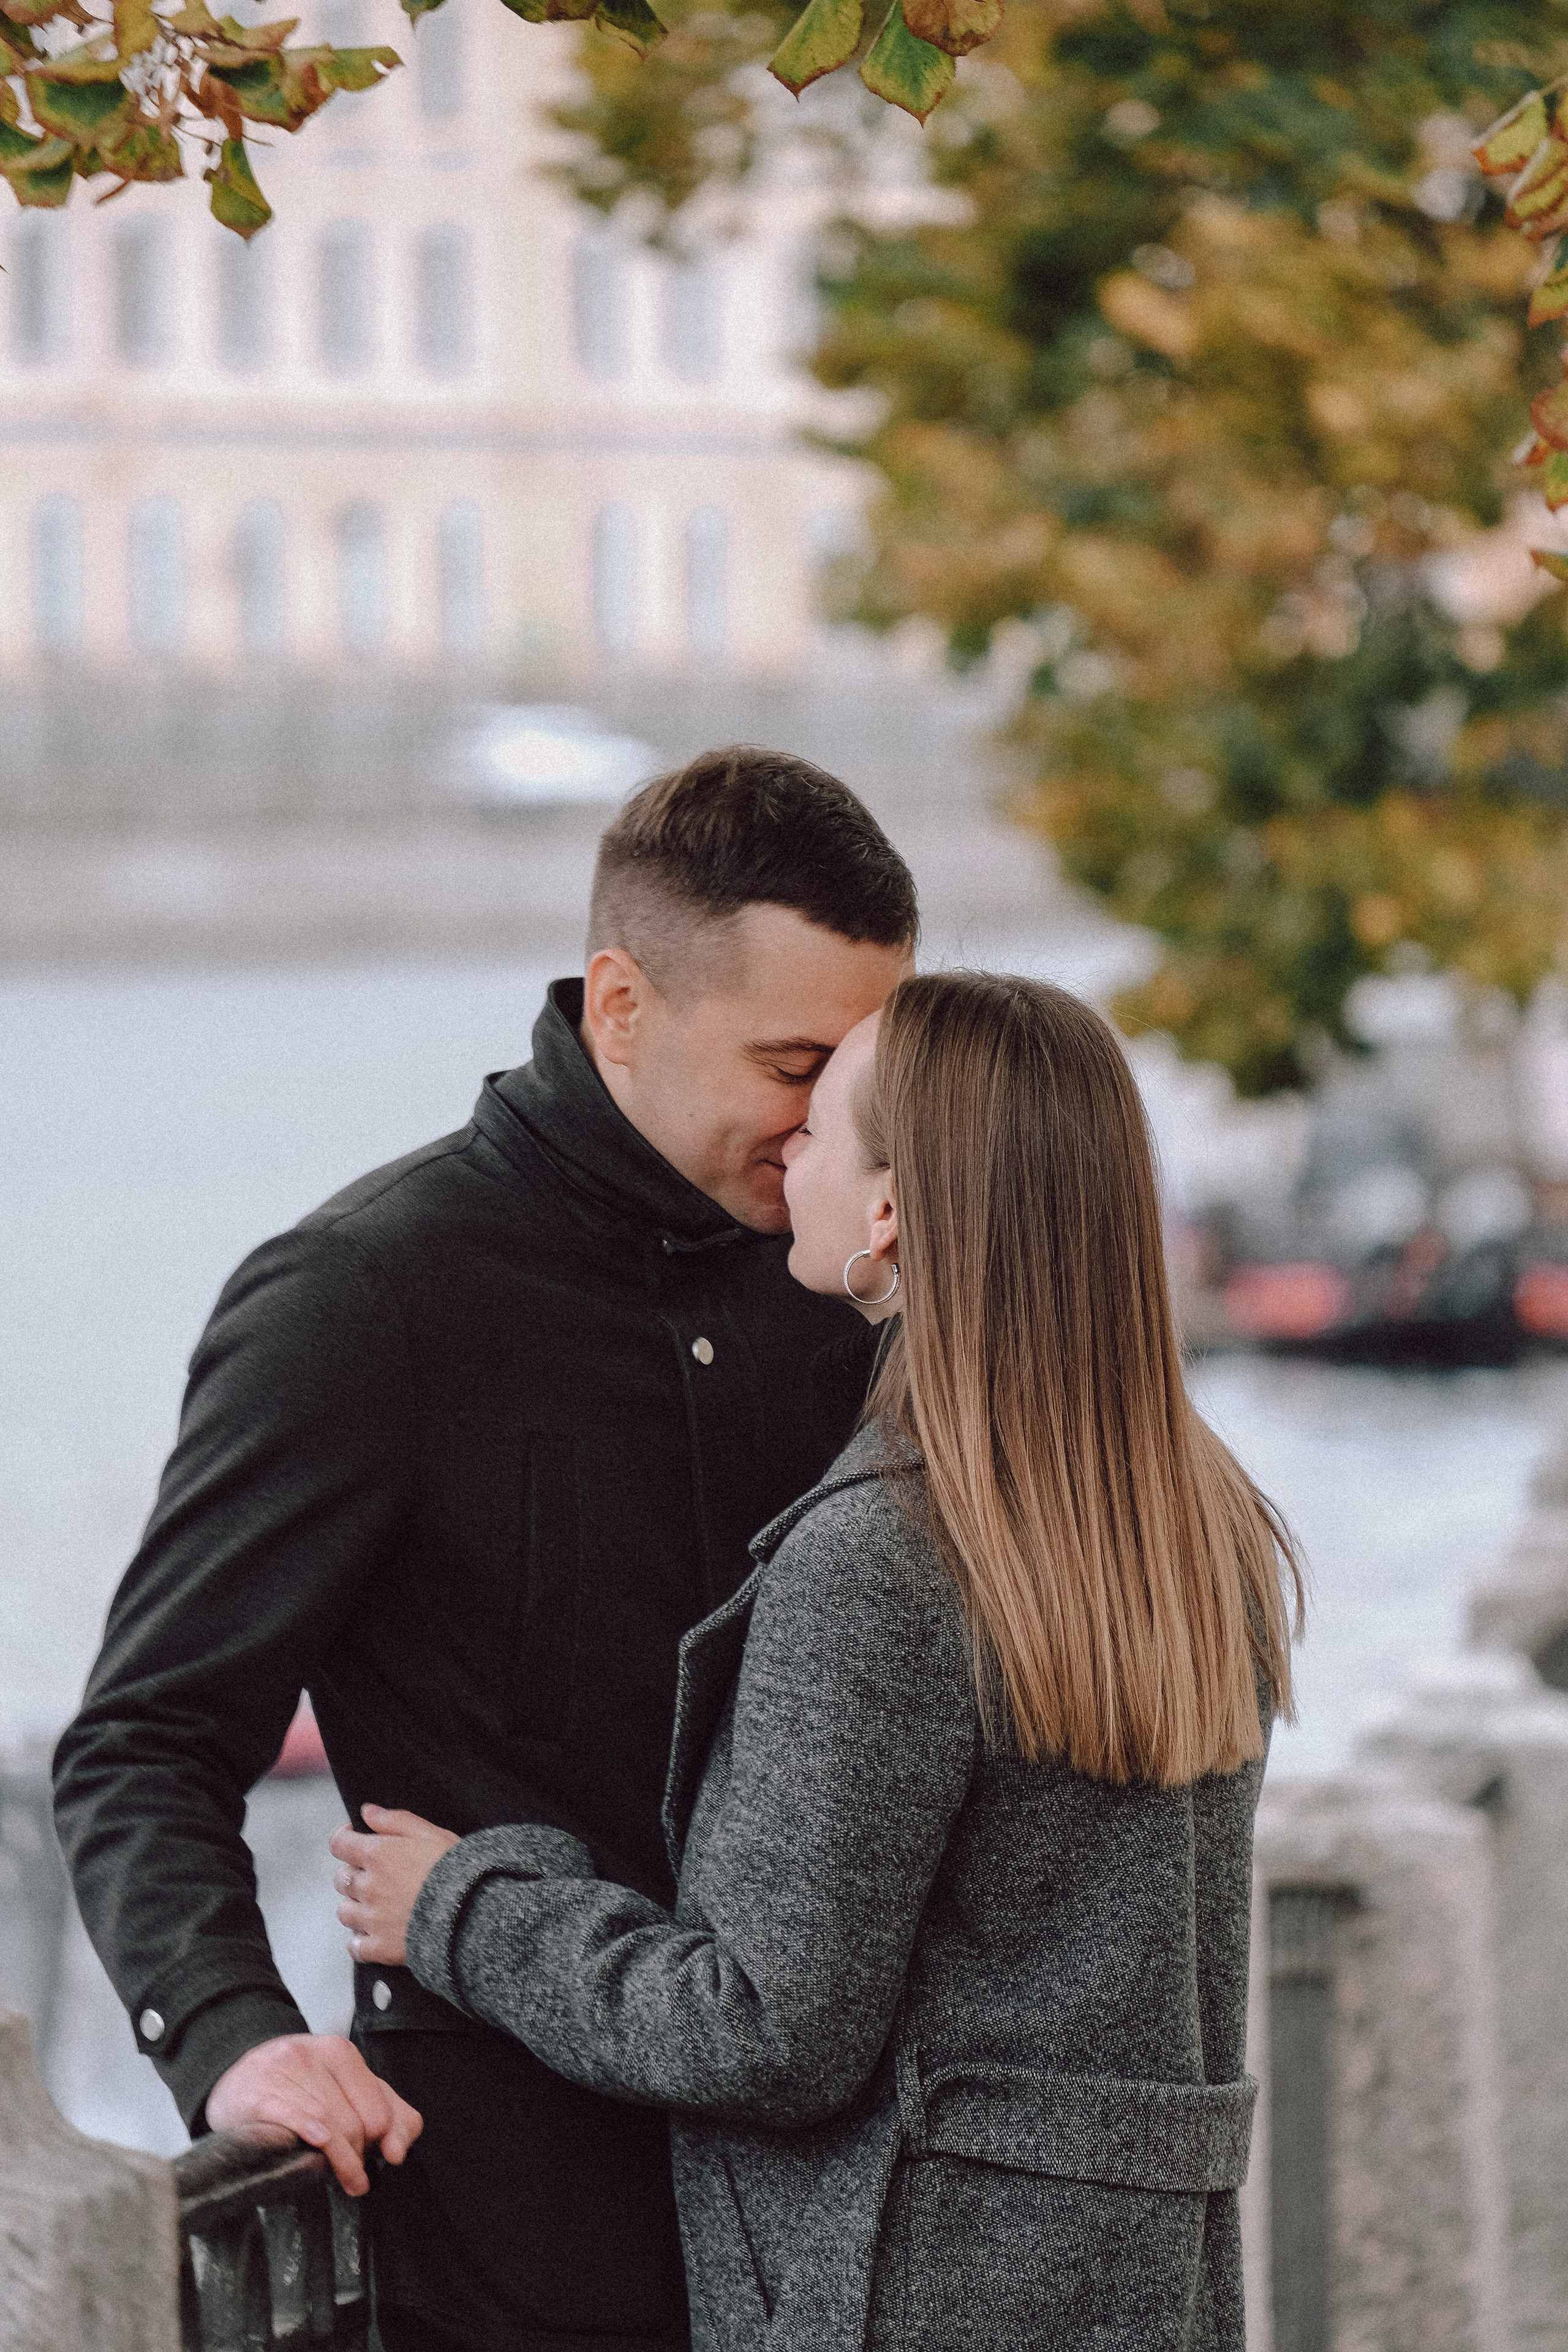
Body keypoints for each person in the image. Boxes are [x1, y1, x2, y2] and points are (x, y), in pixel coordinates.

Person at [51, 747, 919, 2352]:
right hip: (511, 2244)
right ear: (621, 1005)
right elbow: (146, 1744)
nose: (835, 1132)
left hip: (859, 2225)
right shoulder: (361, 1300)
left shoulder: (856, 1277)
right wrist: (235, 2038)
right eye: (797, 1066)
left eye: (867, 1077)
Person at [331, 970, 1304, 2352]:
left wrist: (464, 1907)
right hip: (1136, 2294)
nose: (789, 1147)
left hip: (908, 2299)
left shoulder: (885, 1559)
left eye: (825, 1126)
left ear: (890, 1212)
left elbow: (764, 2031)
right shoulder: (1193, 1522)